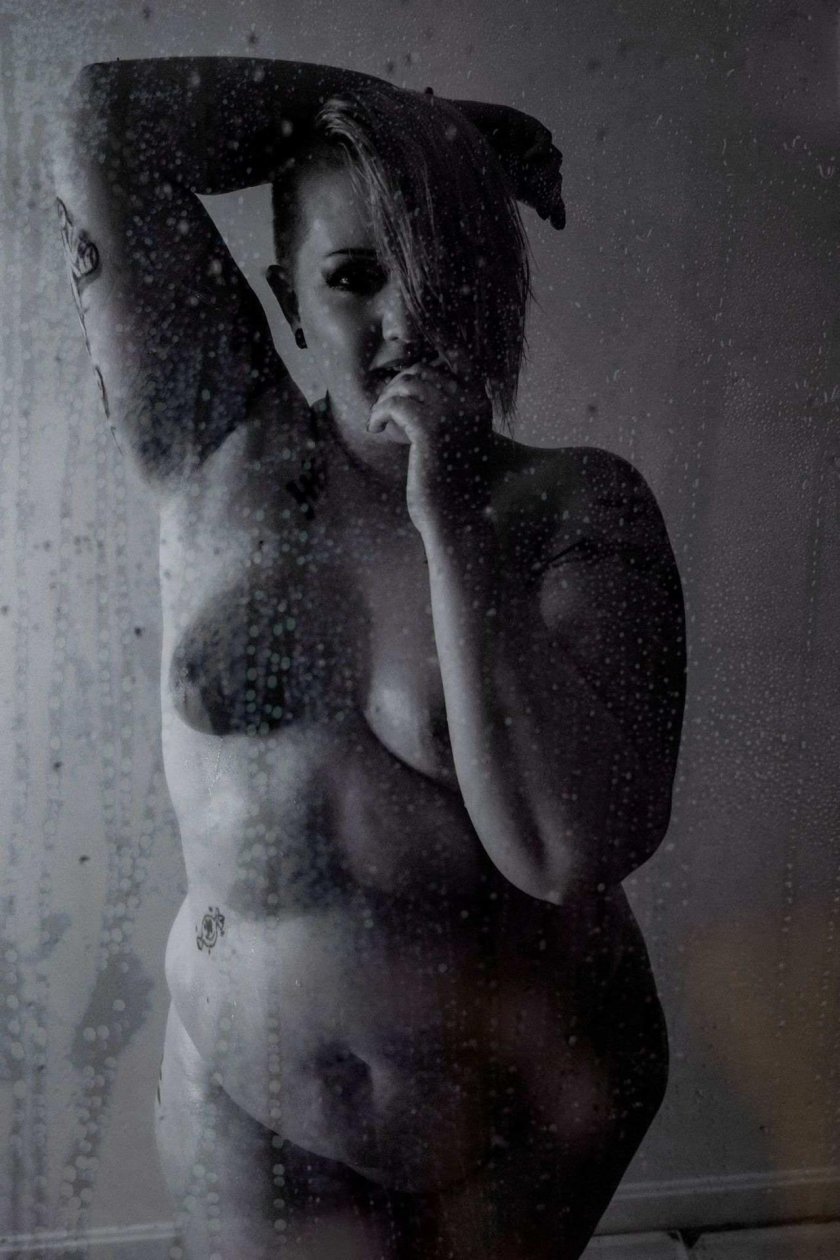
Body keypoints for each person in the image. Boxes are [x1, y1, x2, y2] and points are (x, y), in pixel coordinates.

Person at [56, 57, 685, 1260]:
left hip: (530, 1112)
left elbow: (567, 849)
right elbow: (99, 122)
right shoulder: (216, 450)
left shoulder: (582, 509)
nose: (406, 321)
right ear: (288, 301)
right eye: (352, 277)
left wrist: (451, 524)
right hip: (249, 1105)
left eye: (448, 272)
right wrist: (438, 130)